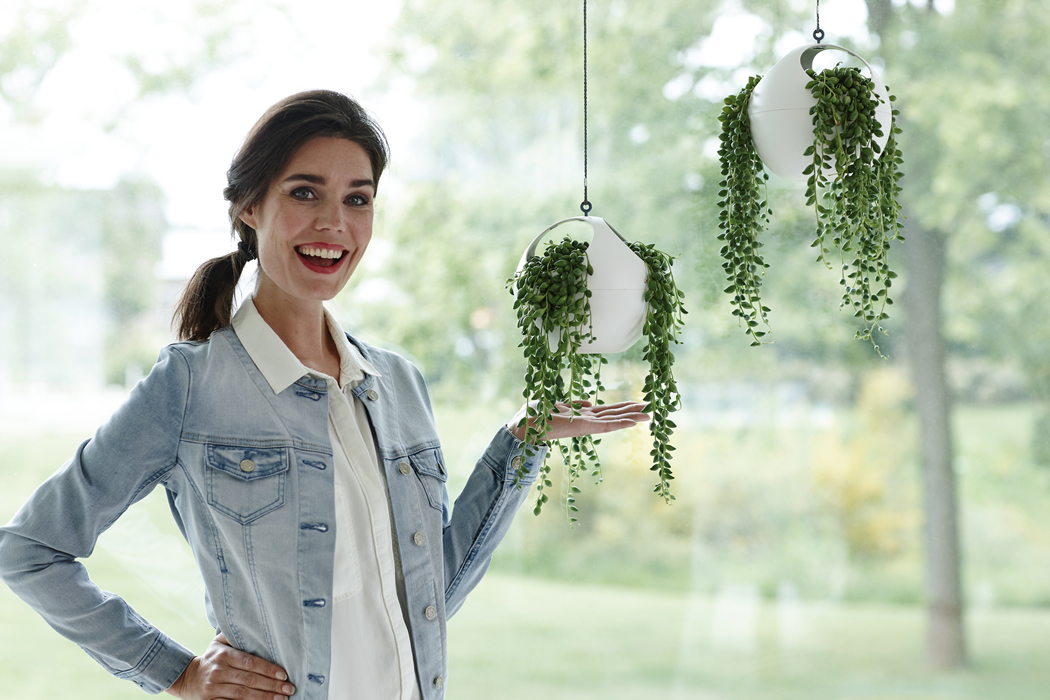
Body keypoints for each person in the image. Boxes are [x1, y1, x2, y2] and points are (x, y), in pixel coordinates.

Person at [0, 90, 648, 700]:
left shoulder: (397, 382)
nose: (335, 224)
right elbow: (32, 550)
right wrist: (178, 673)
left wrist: (521, 441)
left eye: (358, 200)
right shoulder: (191, 383)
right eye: (305, 193)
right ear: (249, 208)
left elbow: (426, 594)